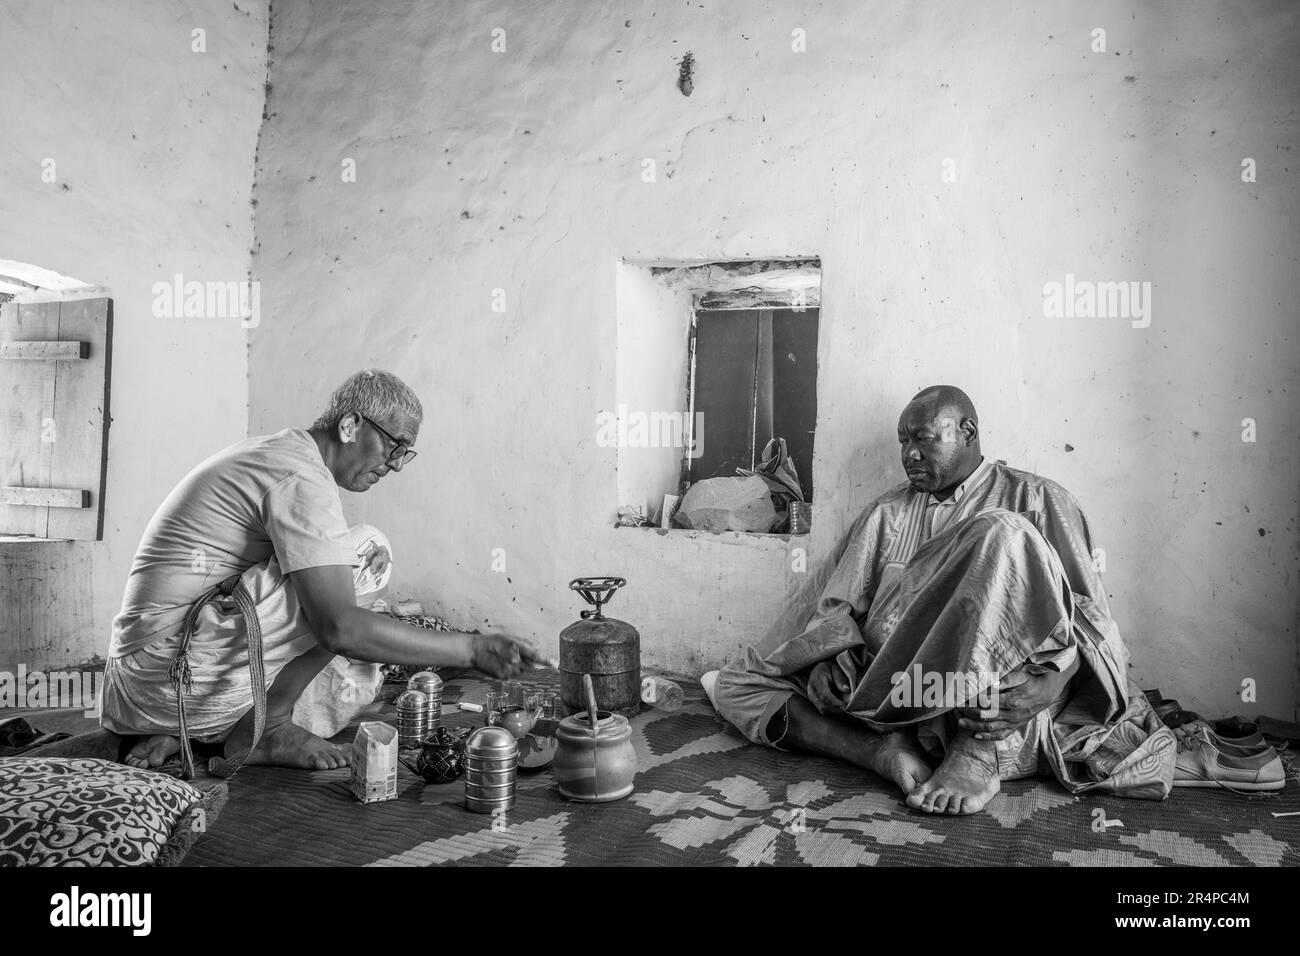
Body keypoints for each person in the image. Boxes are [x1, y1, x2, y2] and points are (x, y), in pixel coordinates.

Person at [703, 385, 1175, 815]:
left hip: (989, 700)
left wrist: (1056, 678)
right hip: (897, 686)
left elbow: (1090, 621)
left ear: (967, 431)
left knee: (1003, 533)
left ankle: (973, 751)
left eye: (924, 439)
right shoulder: (887, 513)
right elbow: (837, 605)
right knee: (735, 686)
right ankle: (880, 753)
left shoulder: (1037, 499)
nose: (909, 454)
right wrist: (831, 655)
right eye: (903, 441)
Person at [100, 369, 542, 775]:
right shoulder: (298, 477)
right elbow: (339, 627)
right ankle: (266, 727)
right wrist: (472, 649)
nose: (395, 465)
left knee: (350, 636)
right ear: (350, 426)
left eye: (407, 454)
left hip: (146, 678)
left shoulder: (283, 453)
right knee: (367, 550)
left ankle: (190, 731)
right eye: (395, 445)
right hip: (168, 668)